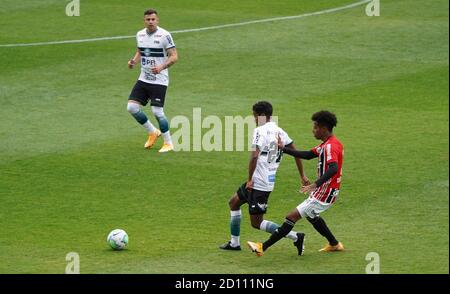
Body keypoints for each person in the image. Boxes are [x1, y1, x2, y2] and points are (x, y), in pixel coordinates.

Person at [248, 110, 344, 256]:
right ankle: (334, 244)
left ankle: (262, 247)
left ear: (324, 128)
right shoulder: (327, 144)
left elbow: (334, 168)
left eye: (316, 127)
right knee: (312, 216)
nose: (313, 130)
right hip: (327, 191)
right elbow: (307, 155)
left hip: (324, 192)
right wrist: (283, 149)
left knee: (291, 217)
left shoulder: (330, 146)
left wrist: (315, 184)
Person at [220, 101, 310, 255]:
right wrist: (302, 175)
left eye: (255, 116)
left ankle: (295, 236)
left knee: (257, 223)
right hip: (262, 179)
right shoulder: (280, 131)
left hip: (259, 183)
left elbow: (254, 156)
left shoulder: (259, 130)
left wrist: (249, 180)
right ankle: (234, 243)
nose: (254, 119)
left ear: (261, 115)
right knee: (233, 202)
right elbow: (295, 152)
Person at [127, 9, 178, 152]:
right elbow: (140, 52)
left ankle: (168, 143)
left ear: (157, 20)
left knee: (157, 112)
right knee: (131, 107)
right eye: (148, 19)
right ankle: (153, 132)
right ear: (144, 21)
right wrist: (133, 61)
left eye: (153, 19)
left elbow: (174, 56)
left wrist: (162, 66)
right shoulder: (140, 34)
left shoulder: (165, 35)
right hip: (144, 78)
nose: (150, 22)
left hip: (159, 80)